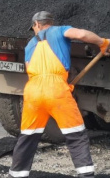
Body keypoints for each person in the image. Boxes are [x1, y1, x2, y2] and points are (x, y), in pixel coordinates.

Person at [8, 11, 110, 178]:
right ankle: (85, 174)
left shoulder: (30, 45)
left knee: (28, 136)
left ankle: (17, 174)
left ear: (37, 25)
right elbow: (82, 34)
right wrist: (102, 42)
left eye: (33, 28)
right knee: (75, 134)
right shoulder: (61, 30)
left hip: (32, 92)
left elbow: (30, 69)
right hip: (56, 90)